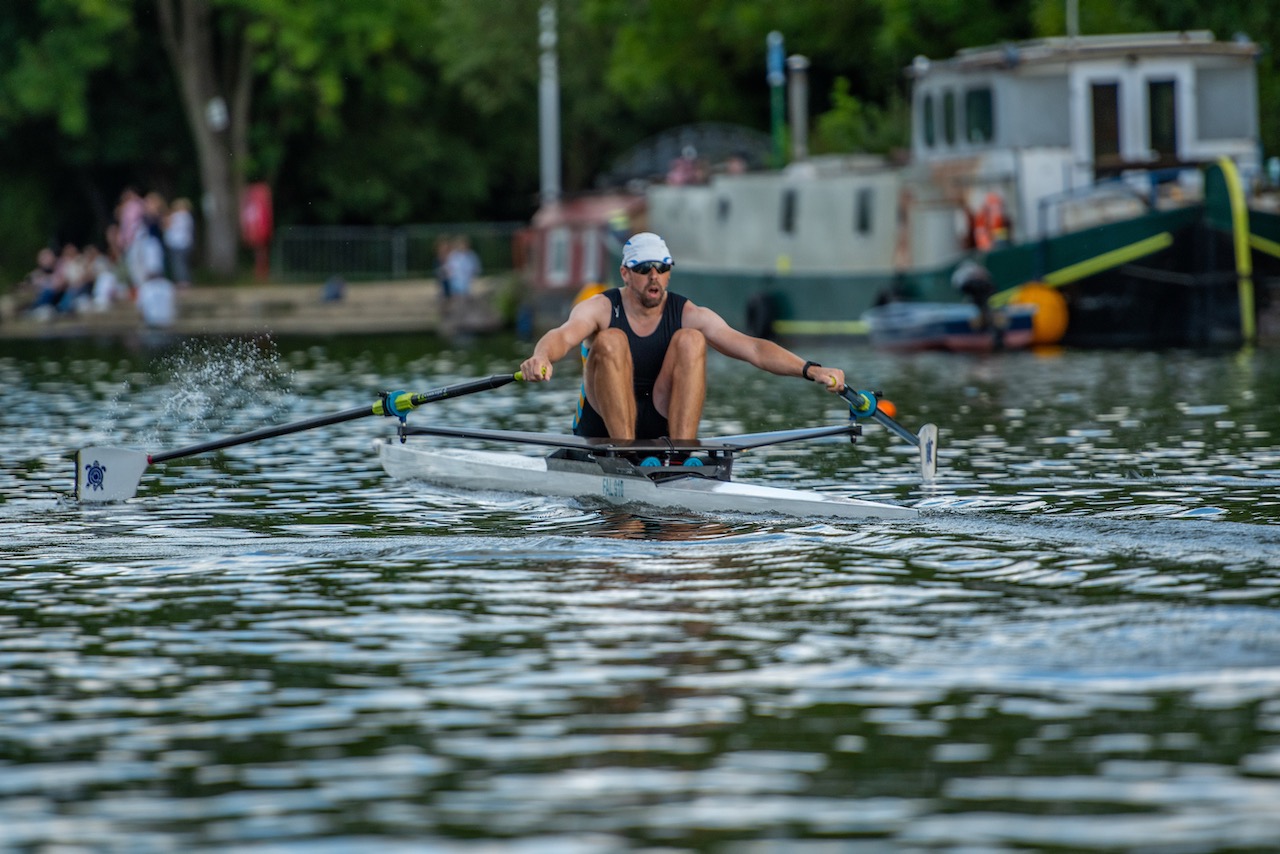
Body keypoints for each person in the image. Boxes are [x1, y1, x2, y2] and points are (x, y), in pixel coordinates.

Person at [519, 232, 846, 441]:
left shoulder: (687, 313)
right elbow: (562, 336)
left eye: (662, 268)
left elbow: (753, 349)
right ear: (625, 273)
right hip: (601, 427)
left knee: (692, 340)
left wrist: (811, 369)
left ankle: (682, 453)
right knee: (611, 340)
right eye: (644, 268)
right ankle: (624, 452)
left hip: (660, 417)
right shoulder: (600, 308)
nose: (654, 277)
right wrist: (541, 357)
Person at [164, 197, 195, 287]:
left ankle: (182, 281)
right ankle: (185, 280)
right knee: (183, 263)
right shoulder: (188, 217)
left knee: (178, 263)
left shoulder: (178, 216)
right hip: (185, 243)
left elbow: (167, 225)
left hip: (178, 244)